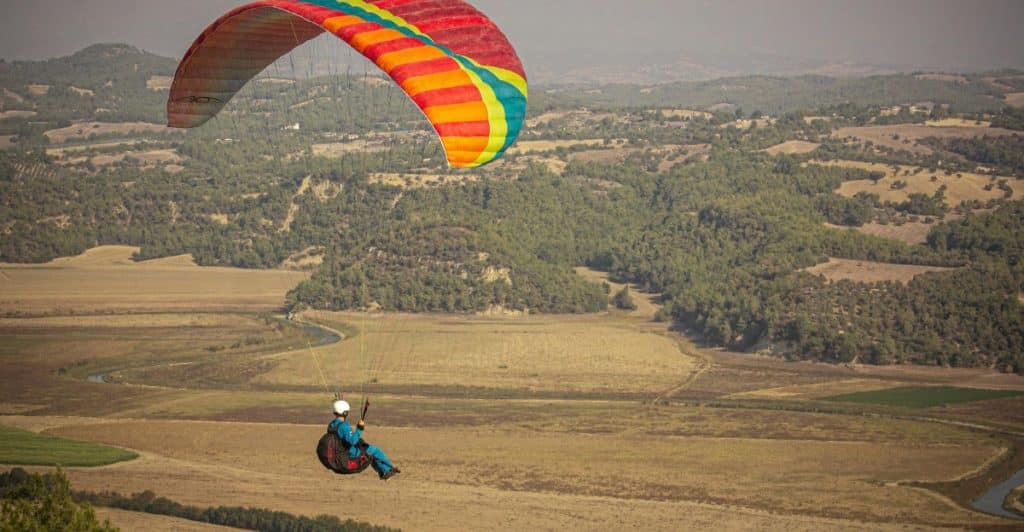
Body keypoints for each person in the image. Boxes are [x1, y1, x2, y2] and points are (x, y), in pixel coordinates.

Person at [329, 400, 400, 480]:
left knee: (369, 450)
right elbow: (353, 441)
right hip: (351, 453)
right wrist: (360, 428)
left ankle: (383, 471)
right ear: (345, 412)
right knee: (374, 451)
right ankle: (387, 470)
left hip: (341, 452)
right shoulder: (344, 426)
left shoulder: (332, 424)